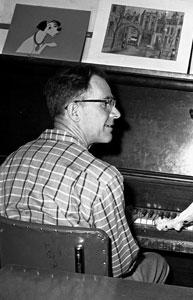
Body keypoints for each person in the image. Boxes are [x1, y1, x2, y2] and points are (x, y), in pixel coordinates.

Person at [0, 65, 169, 283]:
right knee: (156, 263)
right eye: (107, 103)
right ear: (74, 111)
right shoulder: (102, 177)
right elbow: (120, 266)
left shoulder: (11, 161)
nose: (116, 113)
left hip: (16, 287)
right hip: (78, 292)